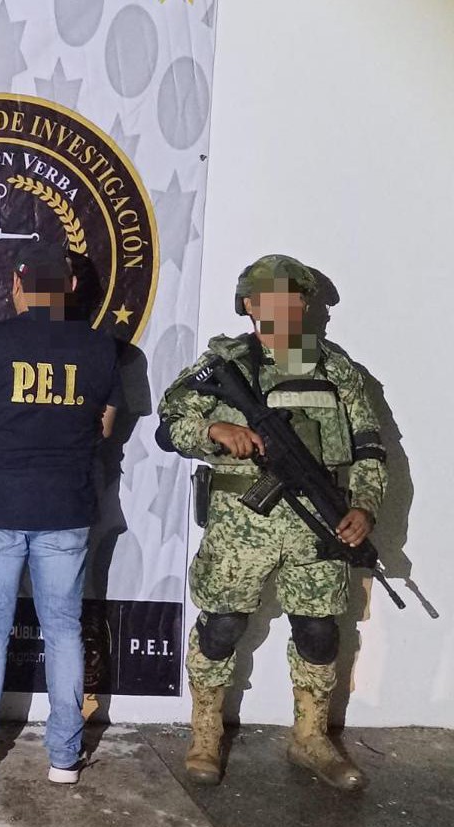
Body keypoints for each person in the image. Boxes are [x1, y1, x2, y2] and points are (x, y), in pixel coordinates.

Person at [157, 254, 387, 790]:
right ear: (248, 305)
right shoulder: (226, 364)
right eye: (269, 298)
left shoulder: (334, 368)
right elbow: (169, 423)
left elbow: (369, 447)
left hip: (319, 524)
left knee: (319, 631)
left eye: (292, 298)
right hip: (241, 524)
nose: (282, 307)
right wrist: (214, 431)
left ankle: (311, 736)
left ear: (304, 305)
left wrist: (364, 506)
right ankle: (205, 732)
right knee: (222, 625)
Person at [0, 241, 120, 786]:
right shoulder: (101, 349)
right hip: (67, 506)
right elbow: (102, 429)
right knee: (64, 630)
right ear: (70, 287)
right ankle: (65, 756)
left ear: (17, 285)